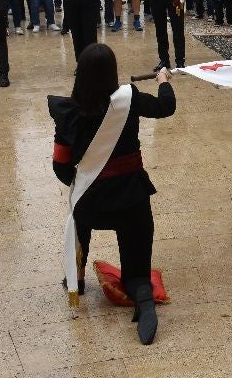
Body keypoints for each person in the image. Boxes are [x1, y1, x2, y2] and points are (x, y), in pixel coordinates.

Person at [49, 44, 175, 345]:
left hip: (91, 201)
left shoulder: (68, 111)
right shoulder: (127, 100)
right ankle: (142, 293)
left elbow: (60, 165)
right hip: (132, 196)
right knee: (137, 262)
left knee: (80, 221)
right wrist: (163, 81)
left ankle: (76, 278)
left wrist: (83, 183)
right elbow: (165, 107)